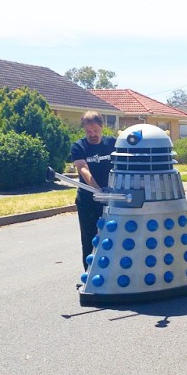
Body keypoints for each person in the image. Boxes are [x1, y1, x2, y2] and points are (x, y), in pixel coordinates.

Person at [70, 111, 116, 270]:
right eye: (89, 131)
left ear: (102, 127)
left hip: (112, 199)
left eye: (95, 130)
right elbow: (83, 168)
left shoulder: (112, 144)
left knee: (113, 237)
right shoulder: (79, 146)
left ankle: (111, 273)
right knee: (89, 238)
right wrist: (96, 189)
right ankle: (89, 275)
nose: (92, 134)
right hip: (88, 200)